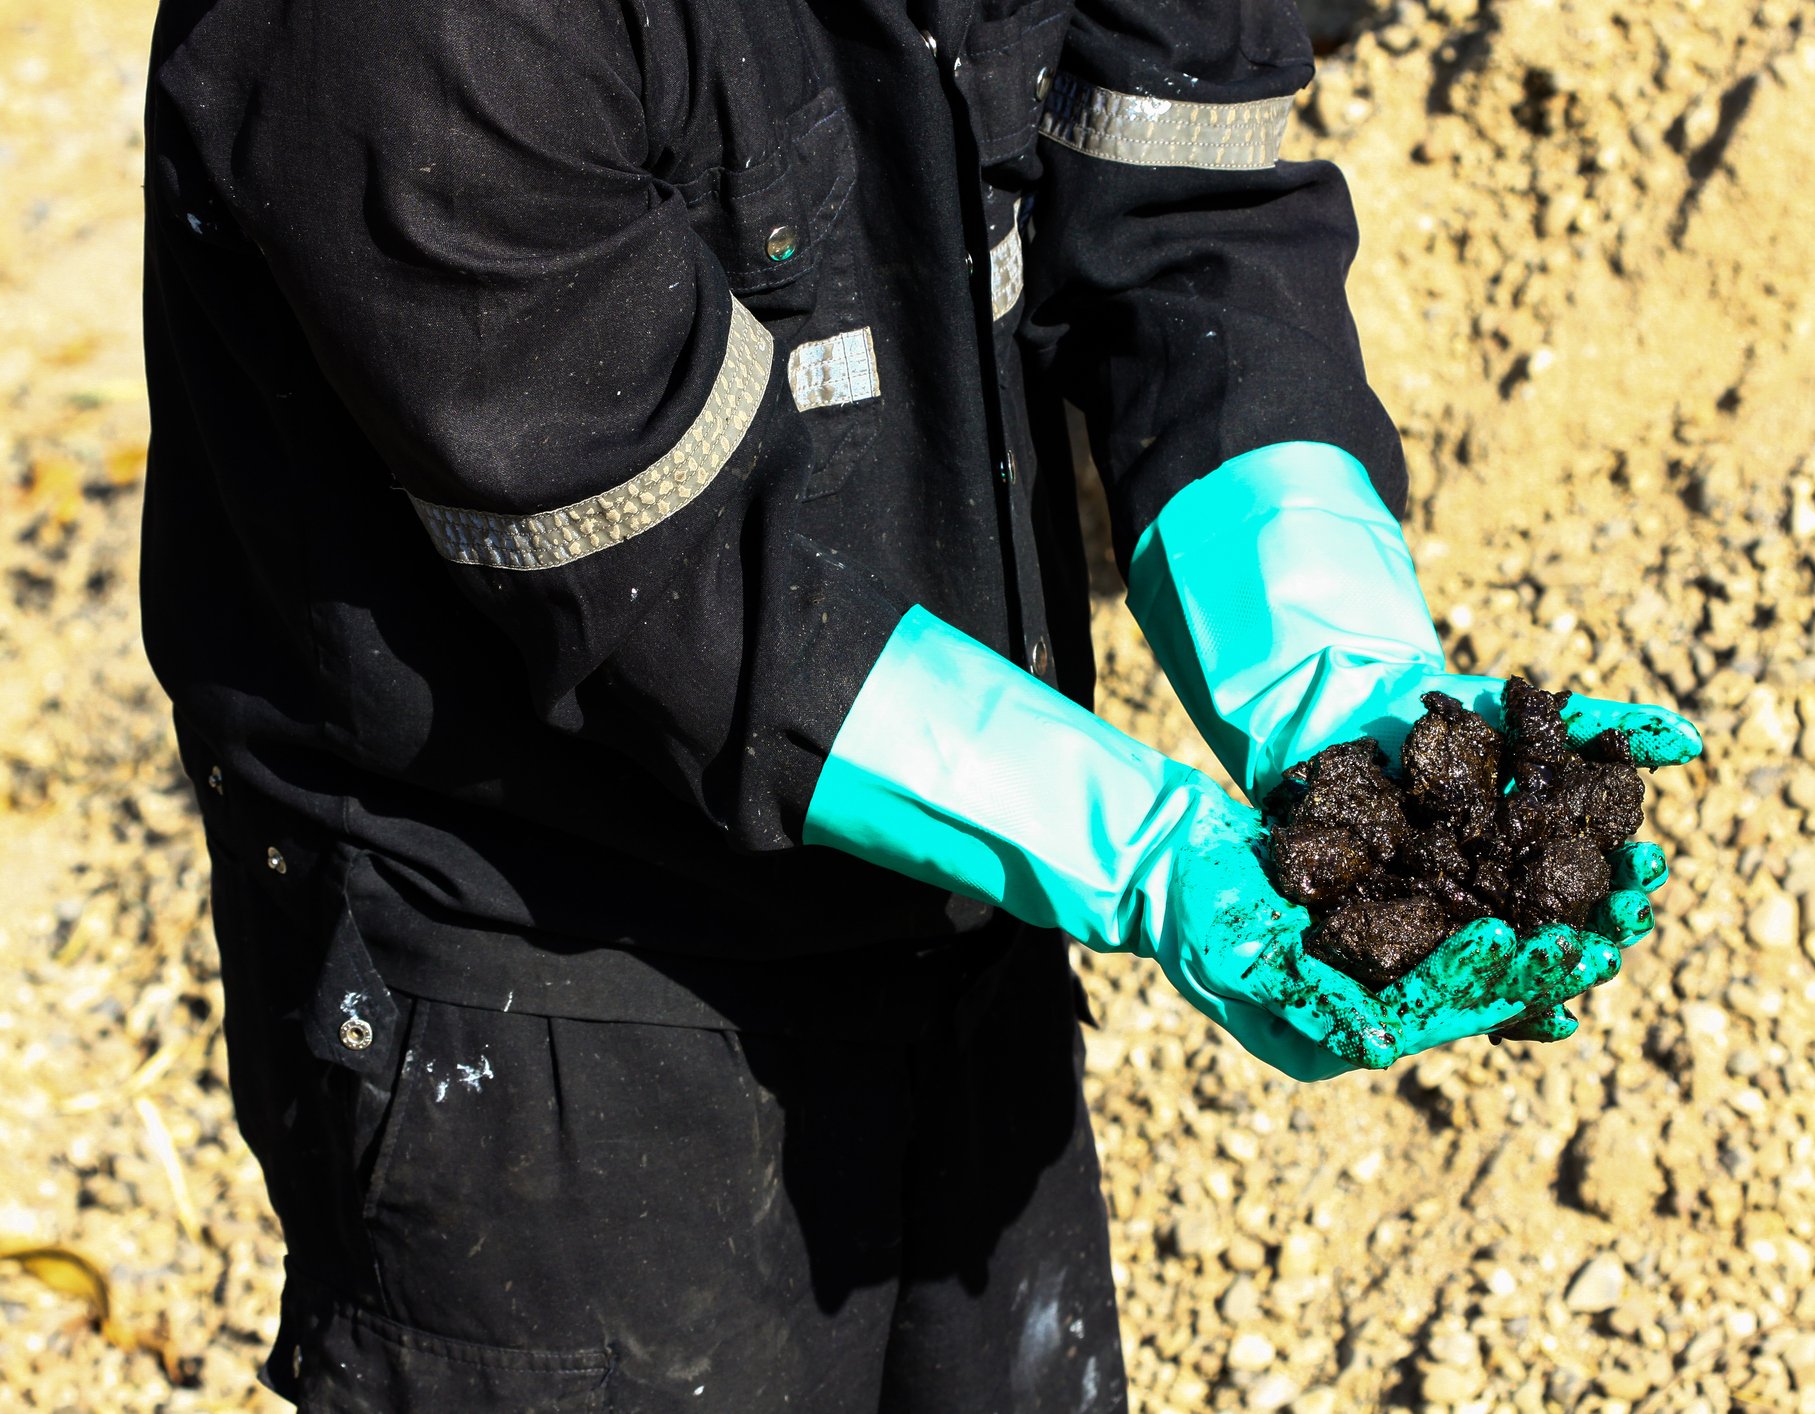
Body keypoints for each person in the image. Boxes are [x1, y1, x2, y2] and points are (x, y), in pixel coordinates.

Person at [139, 0, 1701, 1407]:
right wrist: (1147, 850)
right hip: (542, 981)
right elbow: (675, 589)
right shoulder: (405, 34)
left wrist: (1331, 669)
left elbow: (1181, 206)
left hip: (949, 888)